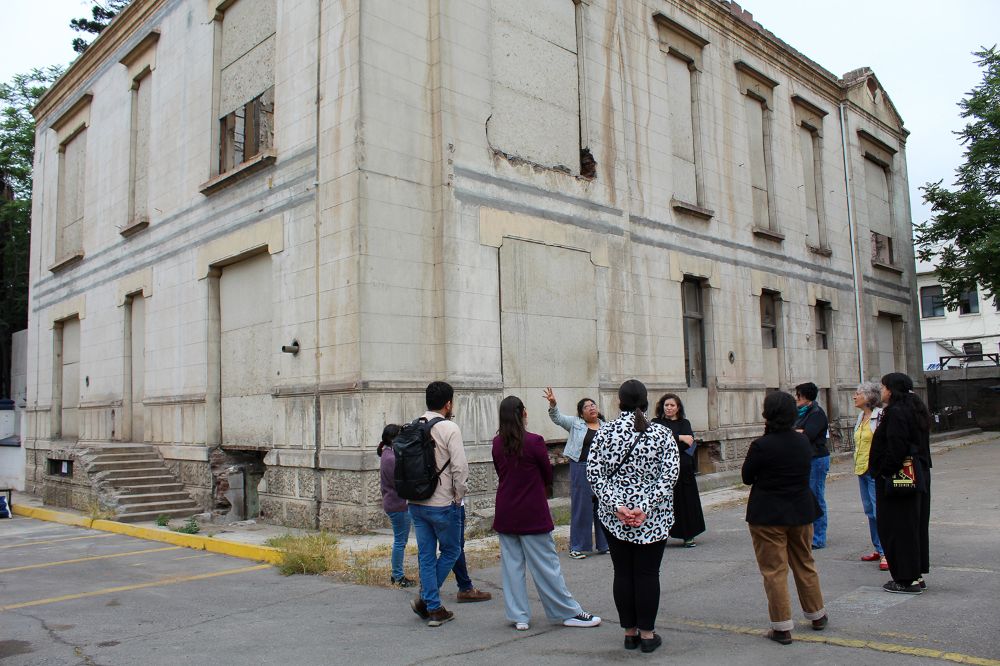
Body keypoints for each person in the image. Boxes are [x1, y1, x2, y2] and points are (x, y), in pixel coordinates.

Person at [492, 396, 602, 632]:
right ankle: (566, 611)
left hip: (506, 509)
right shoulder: (534, 441)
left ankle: (519, 615)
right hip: (532, 510)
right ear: (523, 413)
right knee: (546, 565)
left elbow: (501, 473)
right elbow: (547, 475)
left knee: (512, 567)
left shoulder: (497, 443)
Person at [587, 379, 679, 654]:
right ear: (647, 402)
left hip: (616, 517)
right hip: (652, 517)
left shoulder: (605, 433)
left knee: (623, 572)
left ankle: (629, 632)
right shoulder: (662, 433)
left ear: (619, 401)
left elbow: (594, 474)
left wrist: (616, 505)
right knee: (648, 573)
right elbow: (670, 475)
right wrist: (646, 506)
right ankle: (648, 634)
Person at [742, 391, 828, 646]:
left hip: (768, 513)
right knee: (804, 562)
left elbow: (747, 476)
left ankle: (781, 626)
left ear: (767, 415)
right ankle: (817, 613)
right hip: (800, 510)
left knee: (774, 570)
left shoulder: (762, 445)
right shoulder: (802, 442)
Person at [408, 381, 468, 627]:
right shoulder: (449, 428)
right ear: (448, 404)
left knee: (425, 555)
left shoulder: (413, 426)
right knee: (452, 550)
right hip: (443, 502)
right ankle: (428, 601)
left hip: (416, 501)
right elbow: (460, 467)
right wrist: (458, 496)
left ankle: (432, 606)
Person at [868, 372, 932, 594]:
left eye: (883, 387)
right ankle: (915, 573)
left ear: (891, 389)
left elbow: (896, 447)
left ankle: (906, 579)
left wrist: (884, 472)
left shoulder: (896, 412)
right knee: (914, 526)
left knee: (898, 528)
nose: (881, 391)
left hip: (899, 479)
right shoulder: (915, 408)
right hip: (918, 475)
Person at [543, 387, 608, 559]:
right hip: (581, 467)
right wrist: (553, 404)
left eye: (593, 404)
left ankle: (604, 544)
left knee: (603, 506)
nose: (591, 407)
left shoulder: (606, 426)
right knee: (582, 507)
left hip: (601, 469)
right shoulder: (575, 423)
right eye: (586, 406)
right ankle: (578, 546)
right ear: (581, 413)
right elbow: (557, 418)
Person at [653, 393, 705, 547]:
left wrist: (677, 440)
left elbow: (689, 443)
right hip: (662, 471)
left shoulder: (684, 423)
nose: (669, 408)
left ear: (678, 408)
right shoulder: (656, 422)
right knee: (663, 503)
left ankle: (688, 536)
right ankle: (659, 535)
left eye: (672, 405)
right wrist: (680, 438)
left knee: (686, 502)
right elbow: (658, 442)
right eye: (666, 405)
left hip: (684, 470)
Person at [852, 382, 887, 572]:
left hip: (874, 471)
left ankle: (886, 552)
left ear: (868, 396)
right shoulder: (860, 417)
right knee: (869, 511)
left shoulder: (880, 416)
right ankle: (878, 547)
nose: (854, 397)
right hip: (861, 469)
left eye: (857, 394)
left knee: (878, 511)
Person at [378, 423, 414, 587]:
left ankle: (397, 575)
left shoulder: (387, 453)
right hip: (398, 504)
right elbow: (400, 481)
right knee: (400, 541)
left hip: (393, 502)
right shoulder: (392, 458)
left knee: (400, 540)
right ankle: (398, 576)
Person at [794, 382, 830, 549]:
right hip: (804, 458)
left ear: (805, 397)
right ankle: (807, 534)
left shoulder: (816, 413)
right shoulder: (800, 413)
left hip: (817, 458)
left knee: (816, 496)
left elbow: (808, 434)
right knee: (805, 497)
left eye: (798, 395)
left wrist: (798, 432)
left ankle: (818, 537)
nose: (796, 398)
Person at [450, 503, 492, 603]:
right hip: (449, 503)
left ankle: (426, 588)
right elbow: (459, 487)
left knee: (427, 552)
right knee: (455, 549)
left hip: (421, 505)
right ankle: (465, 588)